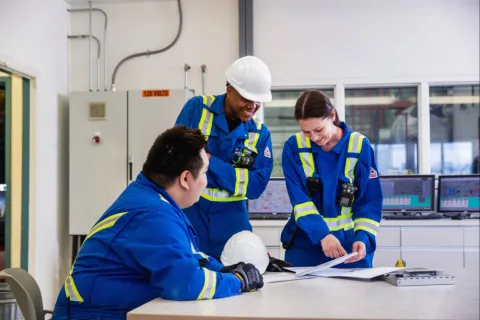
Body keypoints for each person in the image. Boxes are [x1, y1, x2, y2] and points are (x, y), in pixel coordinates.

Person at [52, 126, 264, 320]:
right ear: (185, 179)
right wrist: (237, 281)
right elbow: (186, 283)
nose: (206, 181)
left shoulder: (151, 198)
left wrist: (224, 270)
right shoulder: (154, 214)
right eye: (205, 172)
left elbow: (188, 257)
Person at [174, 56, 274, 261]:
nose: (253, 106)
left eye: (258, 101)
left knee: (240, 283)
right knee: (190, 277)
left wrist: (208, 160)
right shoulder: (197, 109)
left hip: (234, 223)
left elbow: (255, 187)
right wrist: (235, 176)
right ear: (229, 90)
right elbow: (177, 156)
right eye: (247, 98)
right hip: (191, 213)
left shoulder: (260, 133)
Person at [280, 90, 383, 268]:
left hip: (349, 246)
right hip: (306, 243)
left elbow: (369, 201)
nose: (314, 137)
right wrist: (322, 235)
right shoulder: (293, 147)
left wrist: (363, 237)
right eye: (307, 132)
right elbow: (300, 201)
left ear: (332, 115)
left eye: (319, 129)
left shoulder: (360, 147)